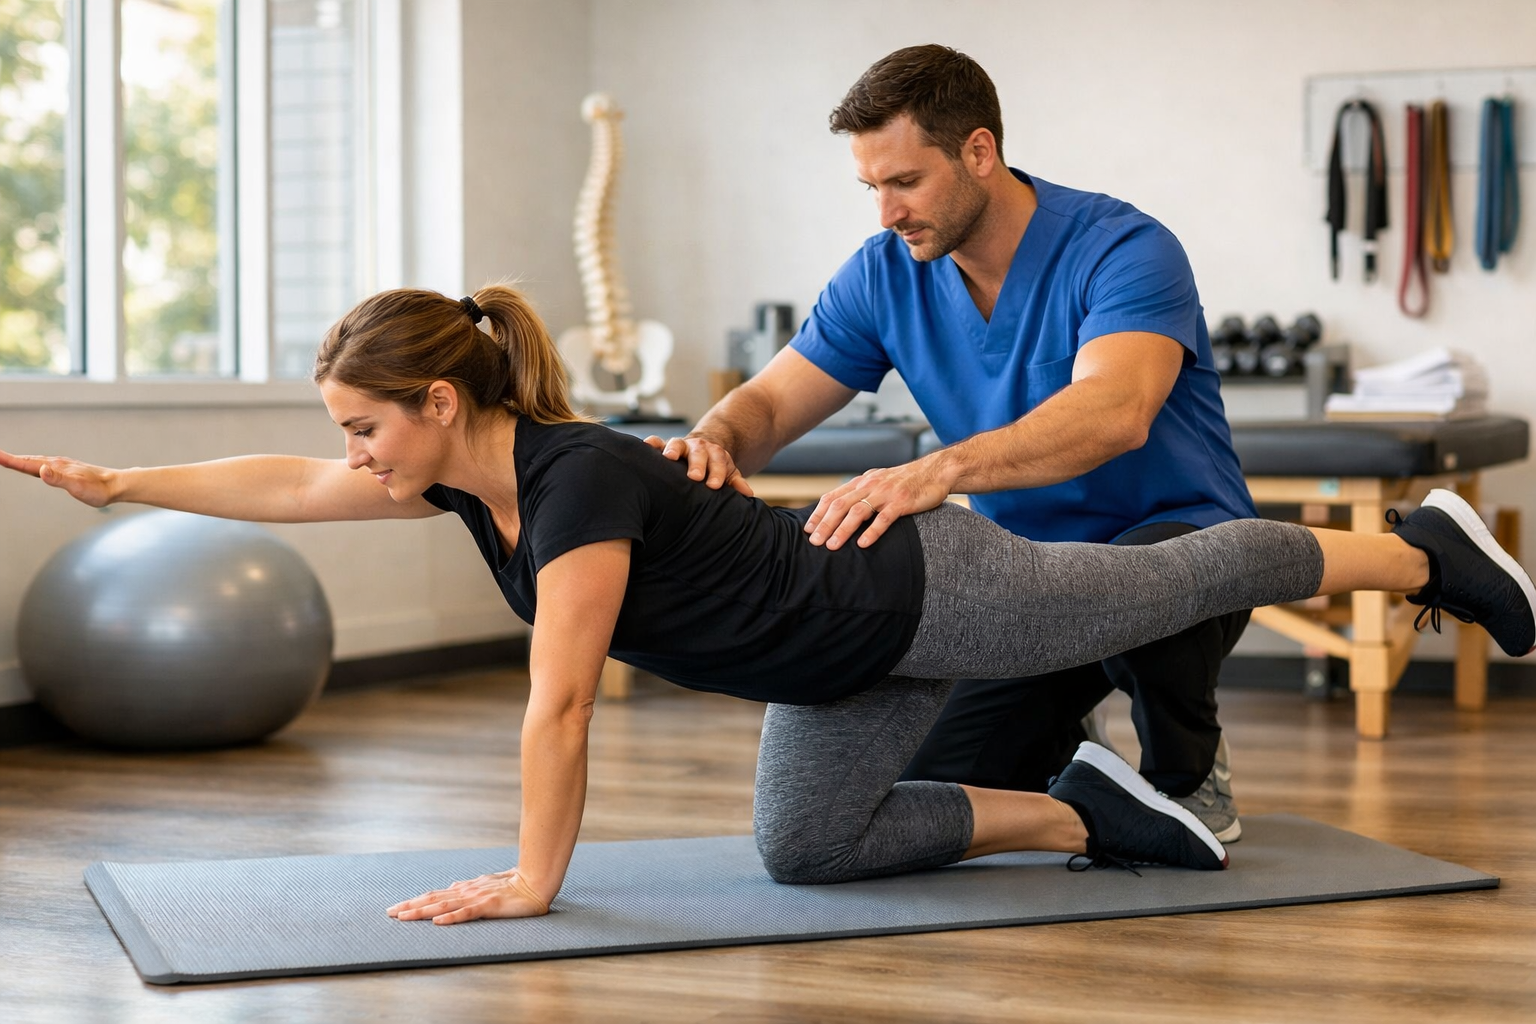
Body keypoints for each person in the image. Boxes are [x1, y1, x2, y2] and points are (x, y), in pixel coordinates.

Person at [4, 285, 1532, 926]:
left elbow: (554, 697)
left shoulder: (578, 477)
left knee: (1180, 572)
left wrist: (538, 880)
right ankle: (1100, 818)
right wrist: (121, 485)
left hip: (925, 592)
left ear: (443, 399)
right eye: (346, 432)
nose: (351, 457)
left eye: (365, 427)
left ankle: (1421, 552)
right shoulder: (455, 480)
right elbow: (282, 482)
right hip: (833, 670)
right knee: (806, 854)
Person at [649, 45, 1256, 839]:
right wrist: (712, 441)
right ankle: (1076, 750)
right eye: (871, 187)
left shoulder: (1122, 247)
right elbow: (769, 402)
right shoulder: (883, 273)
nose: (886, 213)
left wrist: (938, 471)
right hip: (1034, 581)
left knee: (1150, 577)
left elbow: (1117, 409)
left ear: (980, 151)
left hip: (1182, 547)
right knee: (938, 777)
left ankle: (1189, 770)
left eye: (905, 182)